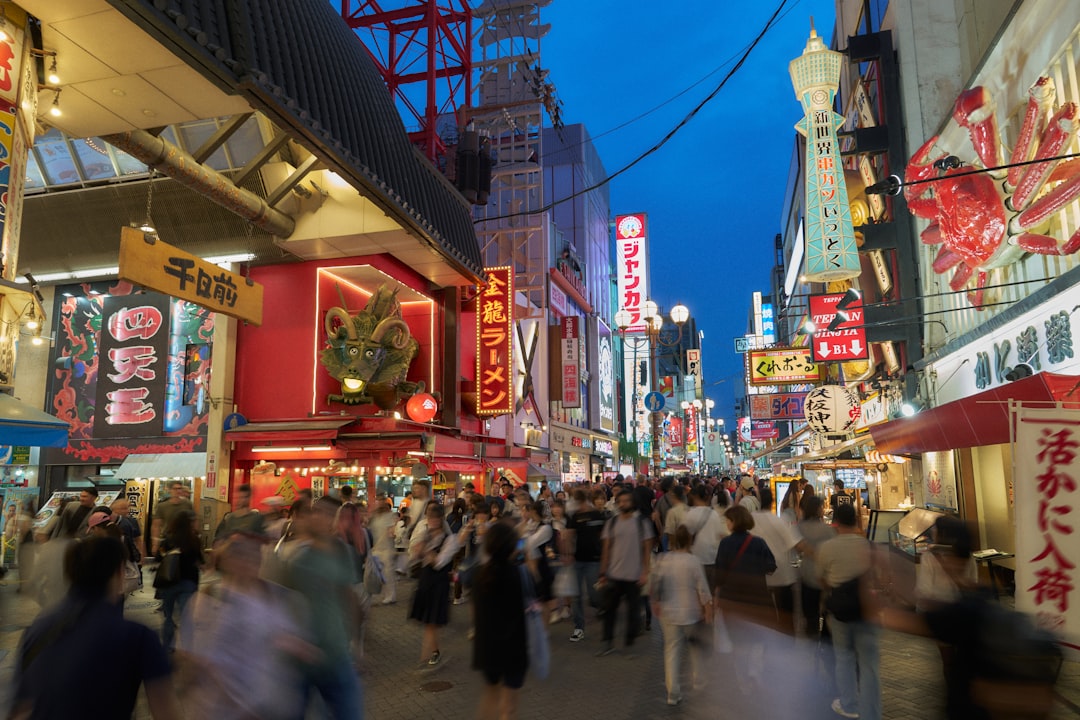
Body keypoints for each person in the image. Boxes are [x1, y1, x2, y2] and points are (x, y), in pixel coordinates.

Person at [10, 536, 180, 720]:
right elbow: (166, 712)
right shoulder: (138, 637)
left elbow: (20, 709)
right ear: (119, 573)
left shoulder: (38, 628)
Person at [177, 532, 312, 720]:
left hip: (262, 704)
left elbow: (277, 634)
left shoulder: (268, 594)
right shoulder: (210, 598)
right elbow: (203, 661)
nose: (252, 562)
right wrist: (240, 706)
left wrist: (301, 648)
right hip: (222, 709)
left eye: (255, 557)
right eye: (243, 556)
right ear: (228, 561)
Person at [282, 497, 363, 719]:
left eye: (328, 514)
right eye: (316, 512)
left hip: (337, 654)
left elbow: (349, 596)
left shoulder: (341, 551)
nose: (320, 517)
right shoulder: (295, 557)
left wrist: (356, 643)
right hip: (303, 659)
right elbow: (278, 604)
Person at [818, 503, 879, 720]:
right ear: (855, 521)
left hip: (840, 612)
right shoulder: (867, 545)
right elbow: (877, 578)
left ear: (835, 523)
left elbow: (821, 579)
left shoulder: (827, 547)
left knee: (843, 658)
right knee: (869, 664)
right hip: (867, 611)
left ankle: (849, 704)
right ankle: (872, 712)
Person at [651, 525, 712, 707]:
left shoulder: (663, 559)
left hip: (668, 613)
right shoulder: (693, 561)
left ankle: (673, 692)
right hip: (691, 612)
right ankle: (699, 681)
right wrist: (707, 610)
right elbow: (703, 588)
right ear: (690, 541)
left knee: (671, 651)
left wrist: (655, 602)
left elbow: (656, 585)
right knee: (695, 649)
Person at [473, 521, 527, 720]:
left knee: (490, 695)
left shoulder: (481, 574)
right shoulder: (516, 574)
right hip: (512, 648)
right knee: (509, 706)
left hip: (487, 648)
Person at [596, 489, 654, 657]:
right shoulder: (612, 523)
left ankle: (629, 644)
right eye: (620, 501)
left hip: (634, 575)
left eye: (626, 501)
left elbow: (647, 548)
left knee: (633, 613)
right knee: (609, 611)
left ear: (633, 502)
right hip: (613, 574)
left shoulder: (642, 523)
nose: (623, 504)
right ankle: (608, 642)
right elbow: (606, 548)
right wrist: (603, 571)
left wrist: (645, 571)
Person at [408, 502, 465, 666]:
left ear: (441, 519)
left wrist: (425, 550)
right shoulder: (426, 535)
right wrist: (421, 550)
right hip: (425, 582)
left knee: (431, 622)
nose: (431, 522)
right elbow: (414, 557)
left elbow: (439, 562)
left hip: (438, 584)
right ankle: (430, 653)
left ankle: (431, 653)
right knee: (428, 622)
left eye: (434, 519)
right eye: (429, 519)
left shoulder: (450, 539)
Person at [751, 487, 805, 633]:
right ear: (772, 502)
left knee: (765, 619)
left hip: (759, 577)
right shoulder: (778, 521)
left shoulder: (750, 520)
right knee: (786, 617)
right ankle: (787, 643)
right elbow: (796, 544)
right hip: (783, 575)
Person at [154, 509, 203, 653]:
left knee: (168, 617)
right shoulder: (194, 540)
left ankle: (167, 647)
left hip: (168, 582)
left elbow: (158, 557)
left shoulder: (168, 539)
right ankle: (188, 647)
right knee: (186, 617)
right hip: (188, 583)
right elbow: (199, 561)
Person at [797, 494, 835, 640]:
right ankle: (825, 637)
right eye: (821, 506)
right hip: (824, 575)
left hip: (806, 573)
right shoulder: (827, 530)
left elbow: (797, 548)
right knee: (826, 609)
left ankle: (811, 635)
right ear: (817, 509)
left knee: (810, 610)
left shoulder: (799, 527)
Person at [683, 484, 725, 592]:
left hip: (696, 557)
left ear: (695, 496)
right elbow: (719, 535)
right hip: (712, 558)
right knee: (710, 591)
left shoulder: (690, 514)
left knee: (697, 592)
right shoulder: (714, 514)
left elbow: (685, 536)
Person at [151, 481, 194, 556]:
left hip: (184, 539)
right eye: (175, 489)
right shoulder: (162, 506)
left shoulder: (187, 504)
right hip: (168, 539)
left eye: (180, 489)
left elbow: (192, 521)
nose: (178, 491)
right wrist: (155, 543)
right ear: (170, 490)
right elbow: (156, 526)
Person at [368, 499, 399, 604]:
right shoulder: (374, 518)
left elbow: (392, 531)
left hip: (387, 549)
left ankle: (390, 596)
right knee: (375, 573)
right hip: (376, 549)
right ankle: (378, 593)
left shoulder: (389, 516)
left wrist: (392, 532)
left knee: (387, 573)